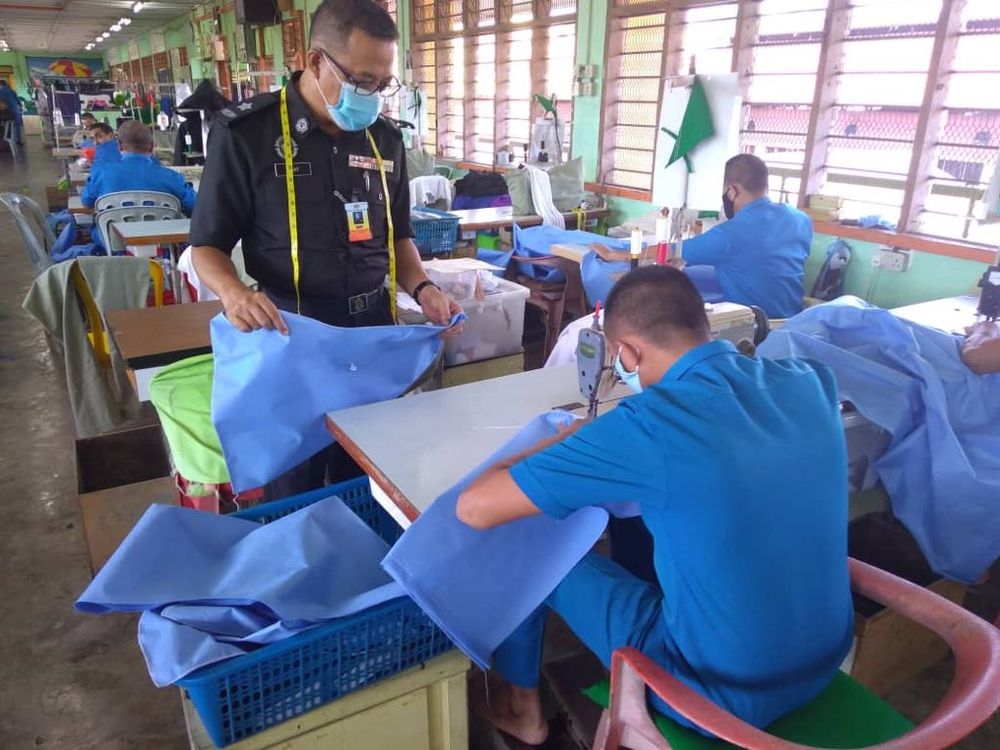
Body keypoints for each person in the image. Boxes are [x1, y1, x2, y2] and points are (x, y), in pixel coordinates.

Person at [456, 265, 853, 745]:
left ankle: (522, 708)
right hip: (825, 657)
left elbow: (475, 508)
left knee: (529, 541)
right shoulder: (810, 381)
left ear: (627, 352)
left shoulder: (649, 424)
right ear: (703, 326)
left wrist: (568, 440)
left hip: (713, 694)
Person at [189, 0, 461, 498]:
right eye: (362, 81)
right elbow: (207, 244)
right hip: (293, 339)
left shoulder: (385, 140)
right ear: (316, 62)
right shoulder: (247, 134)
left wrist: (422, 288)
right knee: (295, 491)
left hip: (370, 339)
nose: (373, 95)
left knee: (372, 481)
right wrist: (232, 293)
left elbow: (398, 237)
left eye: (383, 83)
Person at [678, 154, 812, 319]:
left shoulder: (729, 234)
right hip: (793, 322)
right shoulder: (800, 219)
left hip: (756, 330)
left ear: (732, 191)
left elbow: (672, 253)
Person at [81, 120, 197, 250]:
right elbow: (195, 208)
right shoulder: (172, 178)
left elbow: (86, 203)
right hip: (164, 248)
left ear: (119, 146)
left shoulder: (101, 175)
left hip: (114, 245)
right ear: (152, 146)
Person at [0, 79, 23, 145]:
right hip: (16, 112)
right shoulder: (12, 91)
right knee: (17, 125)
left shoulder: (0, 92)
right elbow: (19, 102)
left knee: (4, 125)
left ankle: (4, 142)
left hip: (6, 114)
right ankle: (18, 140)